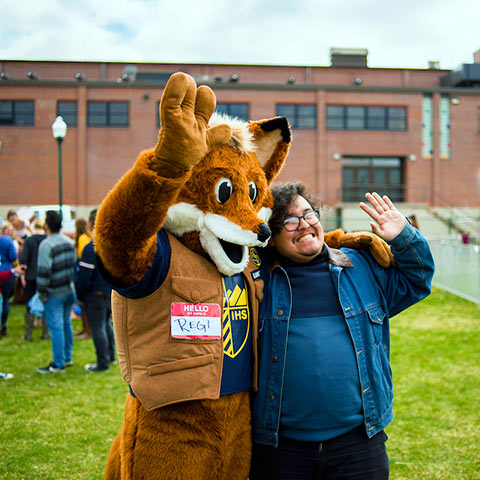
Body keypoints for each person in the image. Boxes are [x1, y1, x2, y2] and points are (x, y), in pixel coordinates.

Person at [250, 183, 435, 480]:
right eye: (289, 221)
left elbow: (417, 280)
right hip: (280, 450)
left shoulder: (360, 266)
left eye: (309, 214)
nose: (304, 225)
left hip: (359, 444)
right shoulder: (257, 283)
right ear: (271, 236)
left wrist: (403, 237)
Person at [75, 209, 115, 372]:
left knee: (98, 327)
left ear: (91, 224)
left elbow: (84, 276)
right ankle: (110, 357)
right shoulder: (112, 244)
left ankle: (102, 363)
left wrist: (80, 295)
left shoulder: (91, 247)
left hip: (95, 293)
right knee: (106, 324)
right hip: (110, 291)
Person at [36, 211, 76, 374]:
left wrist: (41, 293)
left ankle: (58, 363)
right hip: (69, 289)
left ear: (46, 226)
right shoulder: (69, 241)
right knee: (66, 322)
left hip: (54, 292)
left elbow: (43, 271)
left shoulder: (46, 245)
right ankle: (67, 357)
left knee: (57, 327)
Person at [19, 219, 48, 341]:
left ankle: (28, 333)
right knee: (46, 304)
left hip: (31, 276)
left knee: (30, 304)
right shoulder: (48, 240)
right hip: (45, 277)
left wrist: (22, 275)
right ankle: (45, 333)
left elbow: (23, 260)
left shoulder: (29, 241)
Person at [73, 217, 92, 339]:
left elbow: (82, 256)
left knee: (83, 302)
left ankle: (87, 330)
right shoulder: (86, 237)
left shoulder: (82, 239)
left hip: (81, 267)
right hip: (82, 266)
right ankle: (84, 329)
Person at [0, 217, 18, 337]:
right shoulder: (7, 241)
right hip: (6, 272)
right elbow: (13, 257)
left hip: (5, 273)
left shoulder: (7, 241)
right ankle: (4, 324)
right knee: (5, 300)